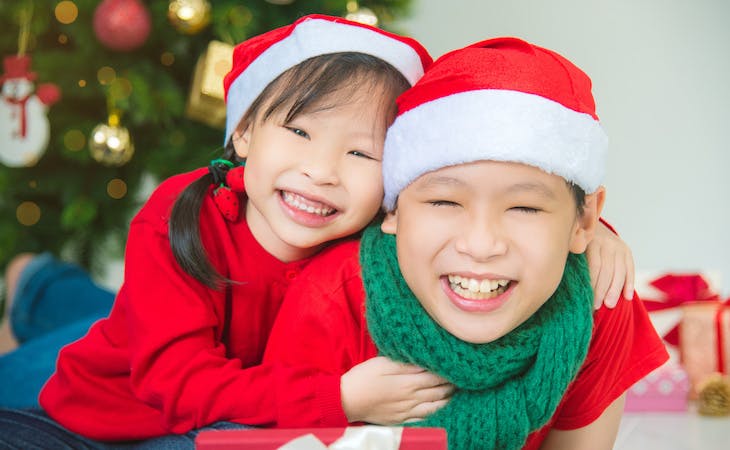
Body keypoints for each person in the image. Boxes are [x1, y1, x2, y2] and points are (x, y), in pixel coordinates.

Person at [0, 14, 448, 448]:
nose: (320, 171)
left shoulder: (374, 257)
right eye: (299, 130)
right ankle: (38, 285)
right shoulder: (181, 218)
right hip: (105, 418)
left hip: (235, 420)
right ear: (245, 132)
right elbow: (179, 384)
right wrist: (342, 398)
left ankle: (43, 286)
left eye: (360, 153)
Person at [262, 37, 669, 450]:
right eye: (444, 201)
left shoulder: (601, 298)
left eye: (525, 208)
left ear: (584, 220)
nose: (481, 244)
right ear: (393, 210)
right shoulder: (333, 297)